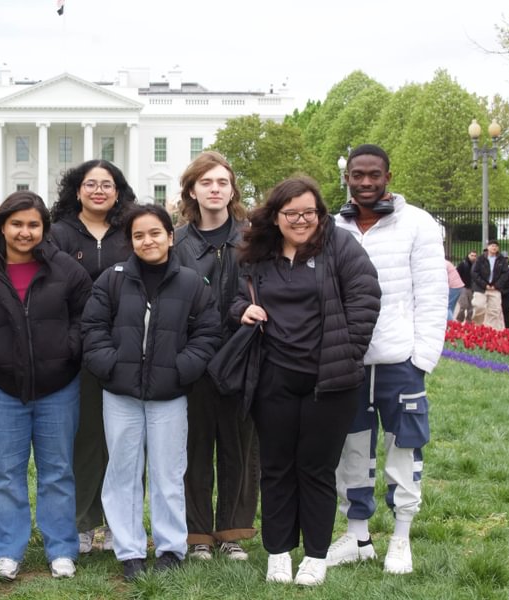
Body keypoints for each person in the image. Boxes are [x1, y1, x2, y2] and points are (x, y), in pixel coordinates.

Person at [229, 177, 380, 586]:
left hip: (329, 381)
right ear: (275, 217)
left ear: (321, 214)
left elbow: (365, 300)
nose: (301, 221)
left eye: (309, 213)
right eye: (291, 213)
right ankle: (278, 552)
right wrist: (243, 310)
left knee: (315, 469)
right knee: (276, 467)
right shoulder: (256, 254)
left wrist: (345, 353)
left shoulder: (340, 247)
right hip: (272, 377)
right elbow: (233, 297)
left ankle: (315, 555)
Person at [0, 191, 91, 581]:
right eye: (17, 224)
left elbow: (87, 314)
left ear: (44, 228)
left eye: (33, 225)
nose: (24, 232)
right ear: (2, 226)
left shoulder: (65, 269)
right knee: (9, 472)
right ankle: (8, 550)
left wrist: (69, 349)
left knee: (58, 470)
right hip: (3, 387)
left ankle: (61, 549)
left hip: (58, 386)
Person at [82, 203, 222, 581]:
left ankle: (171, 548)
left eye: (155, 233)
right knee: (123, 471)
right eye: (139, 235)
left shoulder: (192, 283)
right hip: (121, 394)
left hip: (170, 395)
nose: (148, 241)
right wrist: (110, 366)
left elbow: (208, 333)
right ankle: (128, 550)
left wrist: (182, 369)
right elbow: (92, 328)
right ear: (131, 241)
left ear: (170, 236)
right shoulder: (112, 280)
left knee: (167, 473)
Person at [329, 144, 447, 575]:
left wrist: (421, 359)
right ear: (347, 178)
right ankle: (357, 534)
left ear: (387, 177)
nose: (364, 182)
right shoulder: (332, 227)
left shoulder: (417, 223)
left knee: (405, 447)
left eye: (373, 175)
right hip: (349, 360)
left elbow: (433, 295)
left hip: (400, 361)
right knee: (353, 448)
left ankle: (400, 537)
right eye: (357, 175)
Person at [173, 151, 259, 561]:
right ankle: (197, 536)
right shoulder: (176, 242)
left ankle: (232, 531)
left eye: (222, 182)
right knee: (193, 449)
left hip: (242, 356)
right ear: (192, 189)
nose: (214, 189)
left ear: (232, 190)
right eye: (206, 182)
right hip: (193, 361)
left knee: (238, 448)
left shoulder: (251, 239)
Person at [50, 159, 137, 554]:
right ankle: (83, 522)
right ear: (77, 190)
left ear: (118, 191)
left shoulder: (130, 232)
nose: (99, 190)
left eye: (107, 184)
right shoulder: (58, 233)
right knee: (85, 440)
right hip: (78, 351)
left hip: (130, 349)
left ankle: (122, 523)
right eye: (90, 184)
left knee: (127, 442)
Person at [470, 240, 509, 330]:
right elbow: (474, 272)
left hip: (495, 288)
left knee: (494, 311)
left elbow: (505, 274)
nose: (494, 247)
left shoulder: (502, 260)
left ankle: (492, 330)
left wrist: (496, 285)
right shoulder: (481, 258)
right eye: (492, 245)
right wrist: (484, 285)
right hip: (481, 288)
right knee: (478, 306)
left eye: (496, 246)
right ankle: (476, 326)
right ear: (488, 247)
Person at [455, 251, 476, 322]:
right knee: (463, 306)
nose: (473, 257)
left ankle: (468, 322)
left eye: (475, 256)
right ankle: (459, 320)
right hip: (463, 287)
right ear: (468, 255)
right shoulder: (463, 264)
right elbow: (456, 274)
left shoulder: (476, 265)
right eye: (472, 255)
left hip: (472, 288)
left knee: (471, 307)